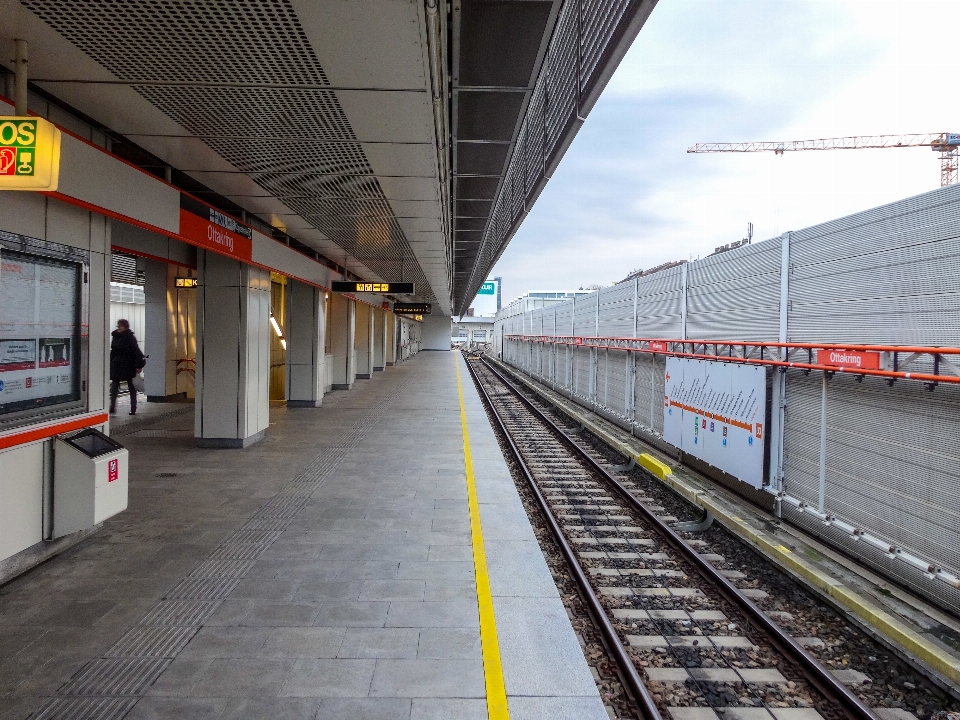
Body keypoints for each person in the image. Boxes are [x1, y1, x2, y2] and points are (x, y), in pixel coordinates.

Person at [110, 319, 145, 415]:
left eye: (121, 326)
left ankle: (133, 408)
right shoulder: (115, 336)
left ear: (125, 327)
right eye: (118, 326)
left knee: (131, 386)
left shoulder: (130, 337)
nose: (119, 328)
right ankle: (112, 407)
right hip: (117, 364)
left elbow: (136, 351)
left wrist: (138, 365)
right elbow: (113, 351)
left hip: (128, 364)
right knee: (114, 386)